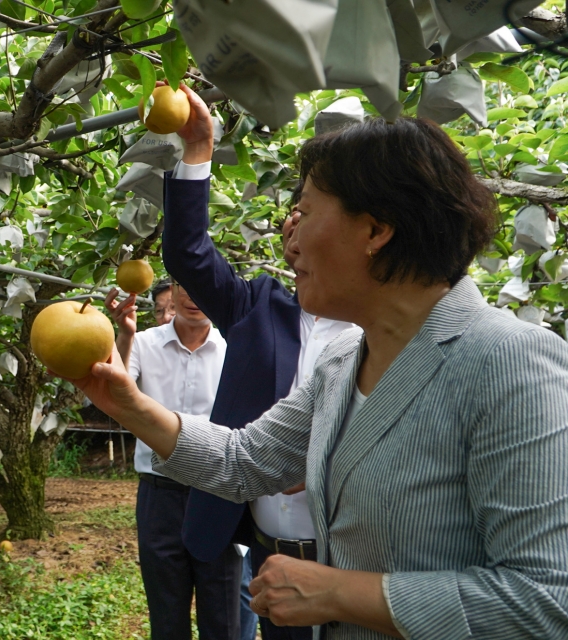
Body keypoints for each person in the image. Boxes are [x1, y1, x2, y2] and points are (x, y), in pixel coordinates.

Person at [63, 113, 568, 639]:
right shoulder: (345, 361)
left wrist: (337, 593)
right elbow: (245, 462)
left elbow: (549, 599)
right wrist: (124, 401)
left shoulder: (508, 361)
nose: (291, 237)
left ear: (376, 229)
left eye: (304, 212)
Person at [161, 89, 357, 640]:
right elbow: (188, 254)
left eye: (312, 211)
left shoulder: (385, 326)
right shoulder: (259, 305)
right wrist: (198, 149)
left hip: (358, 568)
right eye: (293, 211)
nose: (297, 223)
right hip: (271, 561)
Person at [106, 279, 240, 640]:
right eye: (186, 287)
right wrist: (124, 335)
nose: (194, 297)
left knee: (223, 615)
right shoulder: (143, 343)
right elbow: (115, 392)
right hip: (159, 497)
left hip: (217, 494)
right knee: (166, 615)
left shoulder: (235, 348)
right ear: (174, 291)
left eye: (202, 286)